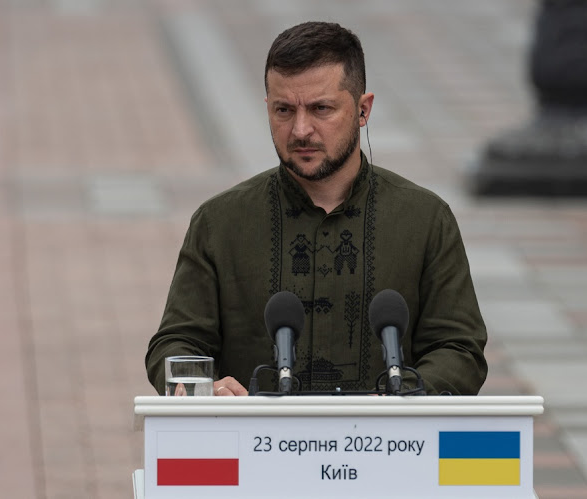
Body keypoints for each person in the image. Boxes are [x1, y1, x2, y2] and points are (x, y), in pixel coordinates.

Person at [145, 21, 487, 396]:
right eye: (284, 110)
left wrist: (399, 399)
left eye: (321, 108)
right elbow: (174, 344)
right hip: (252, 448)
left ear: (363, 109)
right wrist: (201, 388)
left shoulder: (424, 220)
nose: (300, 130)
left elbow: (459, 348)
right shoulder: (219, 223)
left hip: (387, 448)